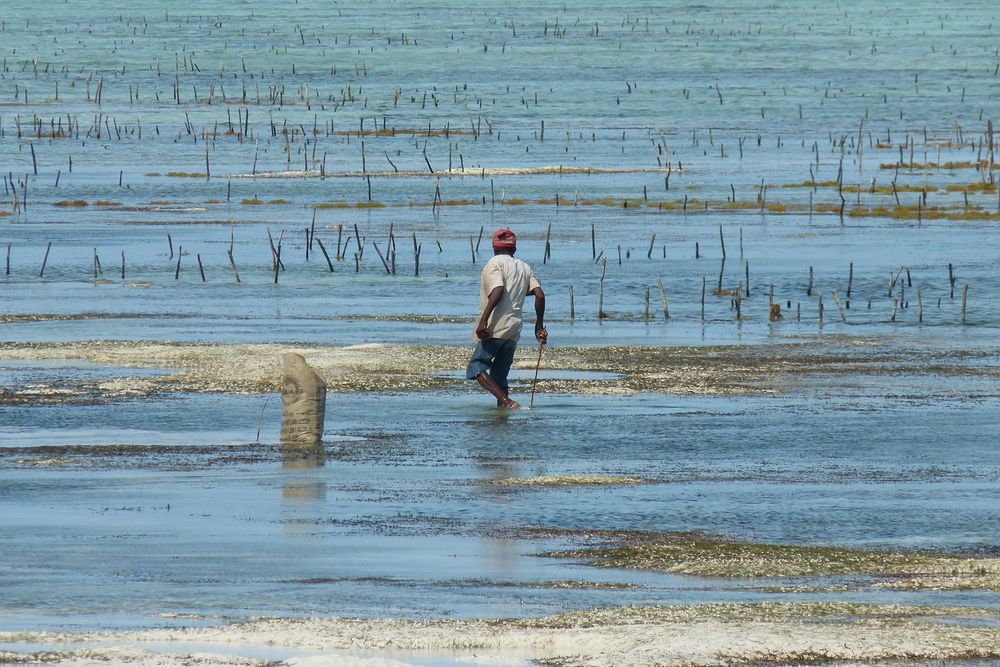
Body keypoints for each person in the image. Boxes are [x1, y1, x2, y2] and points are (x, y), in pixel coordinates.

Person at [466, 228, 547, 409]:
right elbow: (539, 295)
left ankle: (506, 402)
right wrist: (538, 327)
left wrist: (483, 321)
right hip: (513, 329)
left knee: (476, 367)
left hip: (495, 326)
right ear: (514, 249)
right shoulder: (524, 267)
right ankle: (501, 419)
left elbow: (498, 290)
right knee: (500, 376)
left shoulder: (494, 263)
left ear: (494, 247)